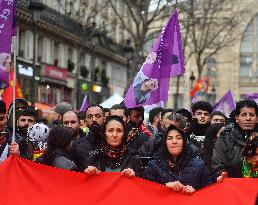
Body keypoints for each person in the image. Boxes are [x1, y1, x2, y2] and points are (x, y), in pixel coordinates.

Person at [142, 125, 213, 194]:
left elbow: (210, 192)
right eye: (170, 138)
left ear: (184, 142)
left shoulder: (199, 165)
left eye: (178, 138)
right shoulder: (153, 166)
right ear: (164, 143)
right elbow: (146, 191)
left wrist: (196, 192)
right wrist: (165, 186)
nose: (174, 141)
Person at [212, 100, 258, 178]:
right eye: (244, 115)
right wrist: (221, 175)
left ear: (257, 118)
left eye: (251, 115)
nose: (248, 118)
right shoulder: (225, 137)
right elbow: (217, 165)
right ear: (237, 118)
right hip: (232, 186)